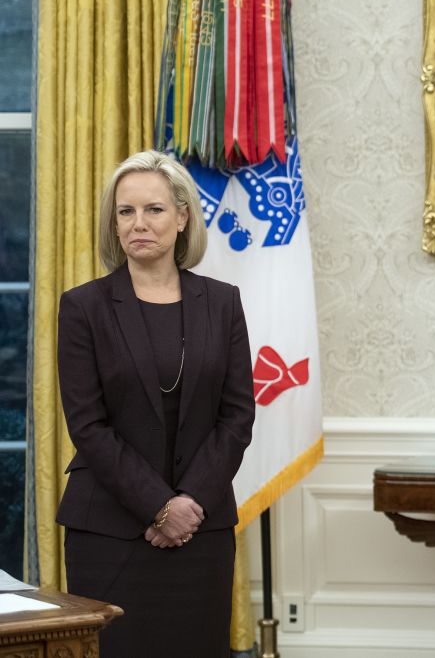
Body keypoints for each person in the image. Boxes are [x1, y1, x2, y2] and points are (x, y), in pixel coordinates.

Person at [56, 150, 255, 657]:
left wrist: (186, 506)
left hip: (200, 530)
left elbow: (236, 417)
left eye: (154, 209)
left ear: (183, 216)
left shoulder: (223, 302)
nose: (138, 223)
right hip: (109, 534)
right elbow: (88, 425)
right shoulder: (83, 307)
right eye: (126, 212)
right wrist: (159, 506)